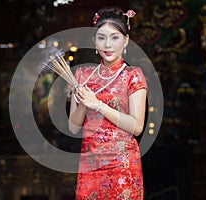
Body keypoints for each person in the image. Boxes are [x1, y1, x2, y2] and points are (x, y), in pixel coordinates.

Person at [68, 7, 147, 200]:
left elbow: (136, 127)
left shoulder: (133, 75)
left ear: (125, 41)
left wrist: (98, 105)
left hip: (122, 166)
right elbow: (73, 127)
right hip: (91, 166)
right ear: (95, 41)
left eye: (114, 37)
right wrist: (83, 104)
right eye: (102, 38)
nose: (108, 45)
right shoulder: (83, 75)